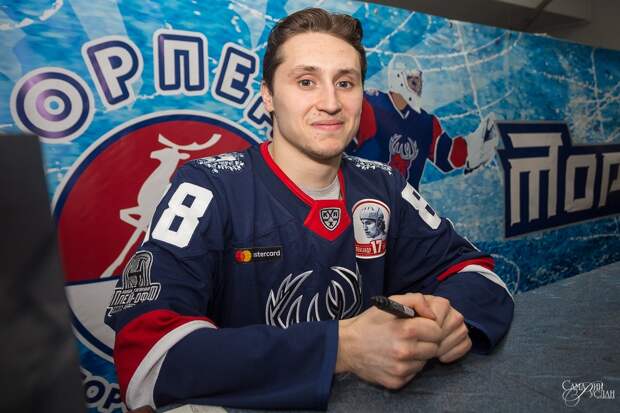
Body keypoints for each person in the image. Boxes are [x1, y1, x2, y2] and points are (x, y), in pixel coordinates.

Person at [105, 7, 514, 411]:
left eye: (345, 82)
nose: (330, 103)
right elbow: (149, 360)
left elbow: (478, 275)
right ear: (268, 95)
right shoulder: (207, 187)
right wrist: (342, 347)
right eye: (306, 81)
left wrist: (449, 319)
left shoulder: (384, 185)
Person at [349, 53, 499, 189]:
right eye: (413, 81)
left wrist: (474, 146)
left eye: (418, 80)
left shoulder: (426, 123)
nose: (418, 86)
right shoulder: (371, 106)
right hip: (367, 199)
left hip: (404, 205)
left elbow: (447, 156)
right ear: (398, 79)